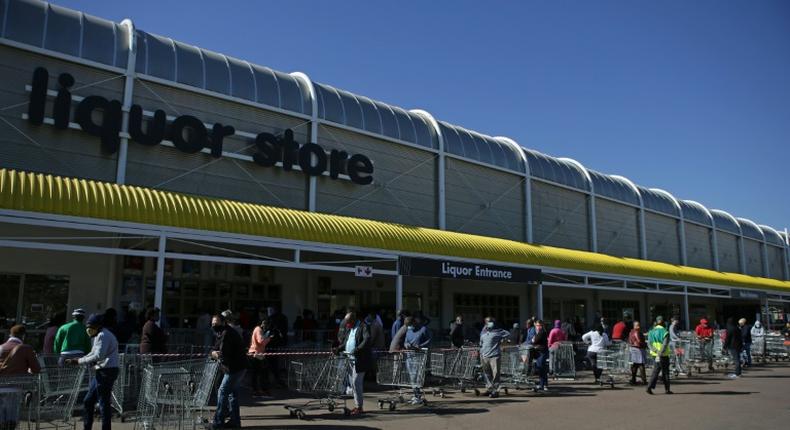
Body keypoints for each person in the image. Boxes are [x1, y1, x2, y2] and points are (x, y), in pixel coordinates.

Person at [66, 314, 119, 430]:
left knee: (103, 402)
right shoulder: (98, 335)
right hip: (103, 371)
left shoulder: (102, 335)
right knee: (88, 401)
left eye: (92, 326)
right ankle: (87, 427)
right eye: (88, 326)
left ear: (99, 326)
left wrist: (79, 361)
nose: (89, 329)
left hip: (107, 372)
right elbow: (93, 352)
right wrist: (79, 359)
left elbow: (99, 355)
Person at [210, 314, 247, 429]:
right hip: (236, 367)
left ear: (223, 322)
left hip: (234, 368)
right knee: (232, 394)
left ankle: (218, 422)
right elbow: (215, 348)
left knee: (222, 391)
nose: (214, 325)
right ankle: (235, 422)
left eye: (216, 323)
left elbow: (224, 354)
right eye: (212, 323)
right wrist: (213, 353)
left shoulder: (227, 334)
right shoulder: (221, 333)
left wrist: (215, 355)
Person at [336, 312, 372, 416]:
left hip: (360, 360)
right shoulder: (349, 329)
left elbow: (367, 339)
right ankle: (357, 405)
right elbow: (346, 342)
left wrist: (358, 349)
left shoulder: (363, 326)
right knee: (352, 384)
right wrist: (338, 348)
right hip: (350, 360)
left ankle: (359, 407)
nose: (346, 324)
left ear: (353, 320)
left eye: (348, 322)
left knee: (356, 383)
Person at [478, 316, 510, 398]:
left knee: (495, 375)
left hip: (494, 356)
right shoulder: (483, 333)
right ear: (485, 323)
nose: (490, 323)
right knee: (487, 374)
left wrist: (503, 341)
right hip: (484, 356)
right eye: (488, 321)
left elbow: (507, 334)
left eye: (491, 321)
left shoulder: (498, 331)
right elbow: (481, 344)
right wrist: (481, 353)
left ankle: (495, 391)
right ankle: (489, 389)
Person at [248, 318, 274, 397]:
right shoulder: (258, 329)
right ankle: (261, 391)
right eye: (264, 323)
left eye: (267, 324)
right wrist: (269, 338)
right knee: (262, 373)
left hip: (257, 353)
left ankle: (256, 391)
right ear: (261, 323)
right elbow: (261, 341)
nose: (265, 325)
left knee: (257, 373)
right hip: (256, 354)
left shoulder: (258, 329)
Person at [646, 316, 672, 395]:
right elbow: (664, 344)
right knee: (664, 372)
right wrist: (659, 353)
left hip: (654, 354)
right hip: (663, 355)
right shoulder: (665, 332)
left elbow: (649, 343)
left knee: (656, 370)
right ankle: (651, 387)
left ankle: (650, 387)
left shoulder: (651, 331)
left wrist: (655, 351)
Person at [532, 319, 550, 391]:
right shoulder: (540, 332)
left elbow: (535, 340)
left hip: (542, 352)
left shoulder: (542, 332)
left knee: (541, 368)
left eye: (539, 325)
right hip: (540, 352)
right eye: (537, 325)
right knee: (541, 368)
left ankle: (543, 384)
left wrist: (534, 339)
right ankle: (543, 384)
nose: (538, 327)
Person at [628, 321, 647, 385]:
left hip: (633, 349)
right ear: (634, 326)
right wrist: (644, 344)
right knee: (641, 364)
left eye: (639, 325)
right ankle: (644, 380)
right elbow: (639, 341)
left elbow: (631, 340)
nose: (638, 326)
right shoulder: (637, 332)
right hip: (638, 349)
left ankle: (633, 379)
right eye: (637, 325)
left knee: (635, 365)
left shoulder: (631, 332)